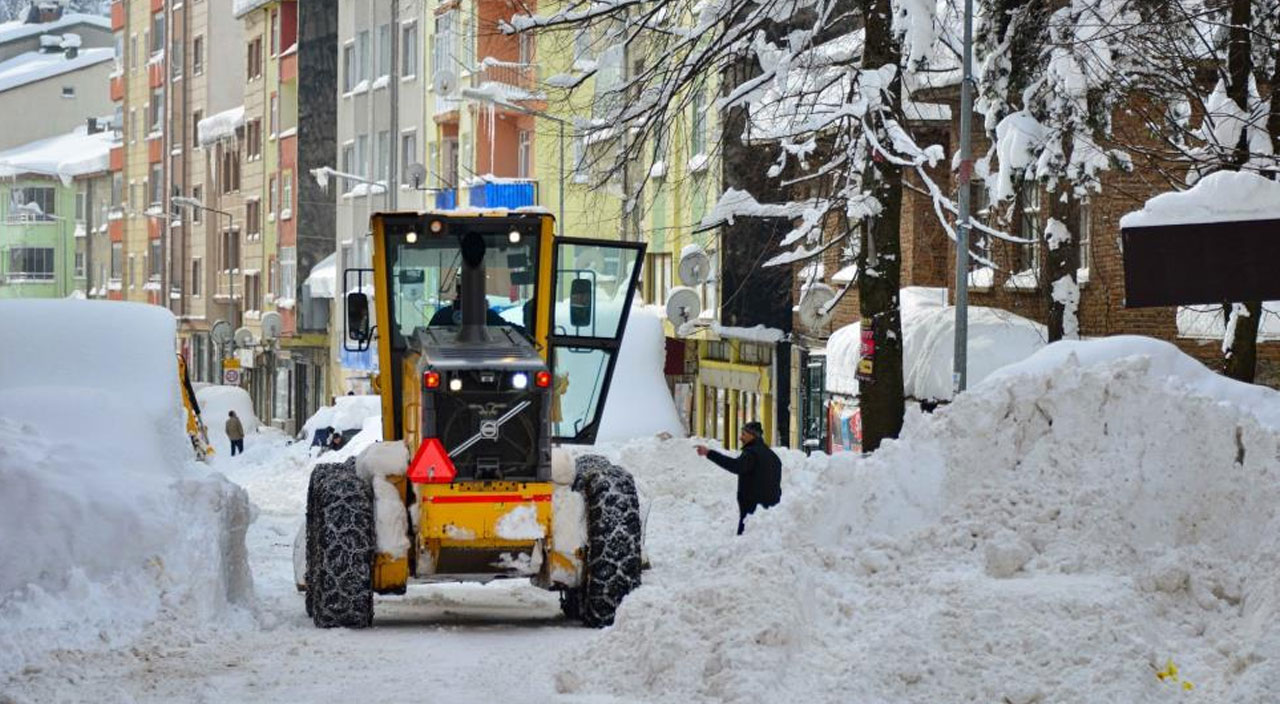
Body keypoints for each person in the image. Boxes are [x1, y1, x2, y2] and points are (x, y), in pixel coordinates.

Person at [695, 421, 782, 535]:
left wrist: (709, 453)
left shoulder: (752, 454)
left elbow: (735, 466)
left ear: (753, 435)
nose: (740, 438)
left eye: (744, 434)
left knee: (746, 540)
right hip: (770, 510)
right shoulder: (773, 456)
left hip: (752, 508)